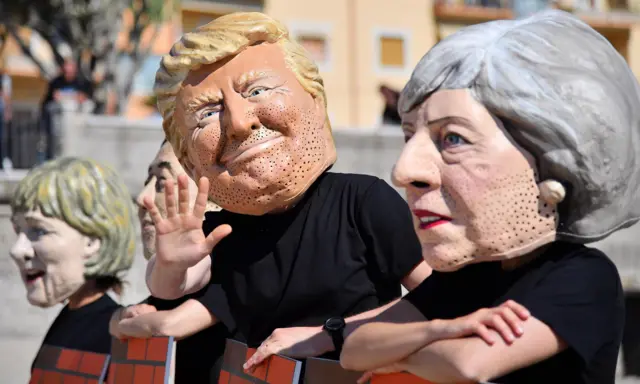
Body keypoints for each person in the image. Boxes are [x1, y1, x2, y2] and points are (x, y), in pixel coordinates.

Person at [340, 10, 635, 384]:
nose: (404, 171)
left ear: (551, 161)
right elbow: (355, 349)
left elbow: (469, 364)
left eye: (453, 139)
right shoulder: (468, 275)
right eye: (409, 135)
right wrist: (439, 331)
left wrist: (398, 356)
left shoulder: (582, 276)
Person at [145, 11, 436, 371]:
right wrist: (170, 265)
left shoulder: (362, 203)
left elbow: (441, 298)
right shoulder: (221, 235)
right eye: (207, 113)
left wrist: (331, 334)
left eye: (257, 91)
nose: (238, 122)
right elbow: (173, 287)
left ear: (315, 100)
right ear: (189, 160)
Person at [109, 139, 232, 383]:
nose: (142, 198)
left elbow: (168, 325)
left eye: (161, 182)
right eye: (148, 181)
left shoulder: (238, 280)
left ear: (211, 198)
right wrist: (124, 317)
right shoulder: (165, 292)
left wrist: (126, 324)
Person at [9, 157, 136, 371]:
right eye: (18, 231)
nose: (17, 250)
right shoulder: (72, 319)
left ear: (92, 241)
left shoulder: (120, 334)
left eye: (39, 231)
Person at [40, 59, 93, 160]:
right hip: (57, 123)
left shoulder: (81, 82)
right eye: (66, 71)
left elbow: (84, 98)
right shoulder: (56, 82)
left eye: (70, 71)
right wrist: (72, 96)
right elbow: (52, 98)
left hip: (76, 124)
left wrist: (65, 96)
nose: (68, 74)